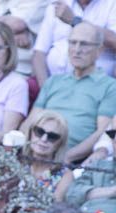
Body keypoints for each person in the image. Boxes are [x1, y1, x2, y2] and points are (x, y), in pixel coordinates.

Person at [27, 22, 116, 163]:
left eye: (84, 44)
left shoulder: (110, 86)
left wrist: (67, 157)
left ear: (99, 51)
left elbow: (102, 132)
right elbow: (31, 121)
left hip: (72, 161)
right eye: (72, 43)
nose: (77, 49)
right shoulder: (53, 81)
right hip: (38, 152)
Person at [32, 0, 116, 87]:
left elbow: (114, 40)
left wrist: (75, 21)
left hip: (96, 87)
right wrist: (46, 89)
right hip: (54, 85)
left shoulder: (112, 4)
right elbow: (39, 53)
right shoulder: (59, 4)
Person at [22, 110, 74, 201]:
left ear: (60, 144)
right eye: (39, 132)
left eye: (52, 136)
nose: (44, 139)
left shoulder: (65, 175)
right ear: (30, 133)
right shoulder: (15, 163)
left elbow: (55, 210)